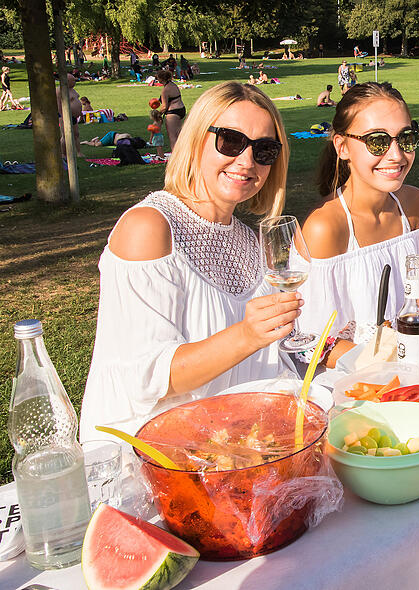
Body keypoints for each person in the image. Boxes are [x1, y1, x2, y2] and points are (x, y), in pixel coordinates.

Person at [80, 81, 294, 443]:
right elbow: (147, 377)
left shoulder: (251, 241)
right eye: (231, 140)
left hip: (230, 447)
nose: (246, 161)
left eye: (264, 150)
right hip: (148, 457)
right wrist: (246, 335)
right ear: (195, 140)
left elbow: (264, 363)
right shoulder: (149, 228)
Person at [300, 82, 419, 351]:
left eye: (406, 138)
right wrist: (390, 362)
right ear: (342, 147)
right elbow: (314, 346)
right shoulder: (326, 227)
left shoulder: (413, 204)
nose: (396, 155)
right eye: (377, 141)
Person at [156, 69, 186, 151]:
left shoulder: (165, 90)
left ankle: (175, 157)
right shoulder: (173, 85)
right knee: (178, 134)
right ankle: (184, 154)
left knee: (172, 136)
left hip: (172, 112)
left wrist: (158, 114)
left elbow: (164, 107)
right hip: (181, 109)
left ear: (161, 79)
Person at [56, 73, 83, 157]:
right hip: (65, 116)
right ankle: (63, 154)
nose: (75, 82)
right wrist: (62, 116)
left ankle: (78, 152)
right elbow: (58, 105)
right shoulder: (60, 90)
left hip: (74, 116)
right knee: (65, 135)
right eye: (73, 80)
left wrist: (80, 113)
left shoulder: (72, 90)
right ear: (67, 81)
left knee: (76, 134)